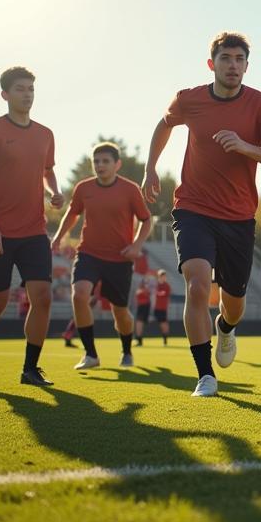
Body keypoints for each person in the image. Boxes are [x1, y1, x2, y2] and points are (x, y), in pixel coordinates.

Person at [142, 32, 261, 396]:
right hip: (193, 207)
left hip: (239, 216)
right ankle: (205, 374)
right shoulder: (189, 99)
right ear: (212, 64)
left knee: (234, 305)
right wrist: (150, 168)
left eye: (239, 59)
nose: (233, 66)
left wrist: (244, 146)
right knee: (197, 285)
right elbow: (165, 123)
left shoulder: (260, 105)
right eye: (226, 59)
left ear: (246, 66)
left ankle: (225, 328)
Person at [0, 67, 63, 387]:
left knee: (43, 297)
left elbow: (47, 171)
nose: (28, 94)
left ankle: (30, 369)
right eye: (20, 89)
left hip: (34, 230)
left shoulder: (45, 134)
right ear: (5, 95)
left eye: (31, 88)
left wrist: (54, 191)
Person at [51, 142, 152, 370]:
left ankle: (126, 351)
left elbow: (147, 220)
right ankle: (90, 355)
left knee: (120, 312)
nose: (100, 165)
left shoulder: (130, 189)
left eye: (105, 161)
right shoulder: (83, 188)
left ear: (117, 164)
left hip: (120, 259)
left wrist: (136, 245)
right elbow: (72, 213)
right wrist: (58, 237)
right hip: (89, 254)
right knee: (79, 296)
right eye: (96, 161)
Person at [153, 270, 172, 344]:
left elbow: (163, 293)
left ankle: (165, 338)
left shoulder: (166, 286)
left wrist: (157, 293)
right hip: (155, 308)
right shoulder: (156, 285)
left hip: (163, 308)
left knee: (163, 323)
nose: (163, 278)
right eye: (161, 276)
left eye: (164, 276)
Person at [134, 276, 152, 345]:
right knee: (138, 324)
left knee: (139, 323)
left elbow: (142, 293)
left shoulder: (145, 289)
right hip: (141, 307)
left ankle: (139, 340)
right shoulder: (141, 288)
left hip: (144, 307)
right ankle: (139, 339)